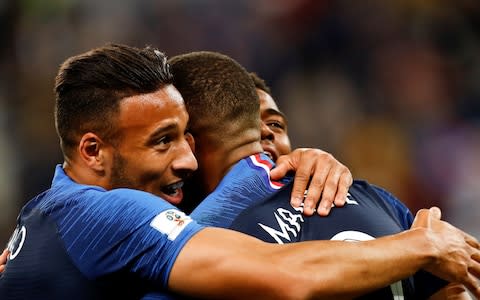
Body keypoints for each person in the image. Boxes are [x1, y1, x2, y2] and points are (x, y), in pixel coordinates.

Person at [0, 44, 479, 300]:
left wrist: (261, 167)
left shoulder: (40, 218)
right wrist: (422, 244)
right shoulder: (111, 213)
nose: (185, 161)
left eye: (187, 139)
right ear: (93, 150)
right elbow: (286, 277)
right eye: (164, 141)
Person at [168, 51, 478, 298]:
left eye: (275, 124)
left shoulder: (372, 198)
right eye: (254, 125)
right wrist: (420, 246)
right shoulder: (189, 233)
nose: (266, 134)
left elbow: (453, 283)